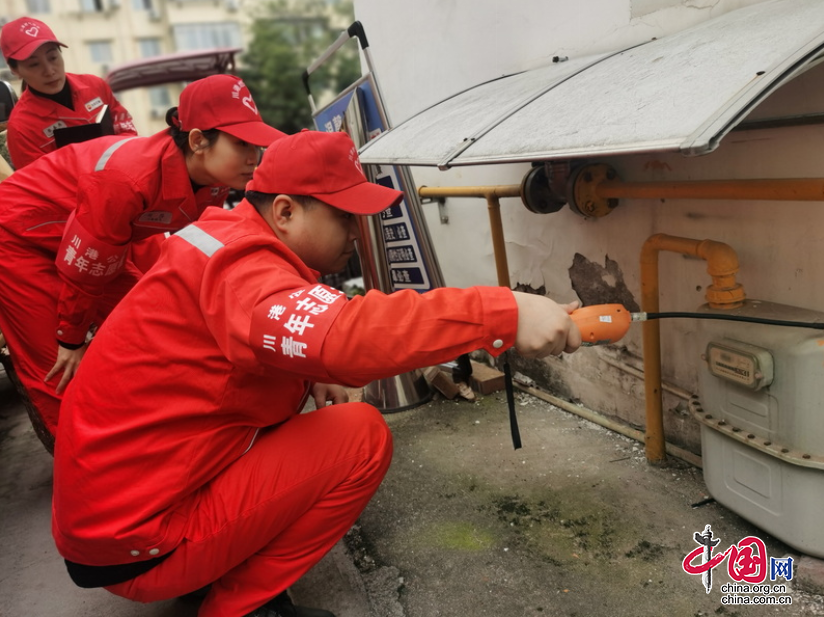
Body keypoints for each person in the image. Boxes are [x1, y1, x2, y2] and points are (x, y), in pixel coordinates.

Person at [51, 129, 582, 617]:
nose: (358, 232)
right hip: (137, 542)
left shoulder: (222, 235)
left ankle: (207, 568)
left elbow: (245, 350)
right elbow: (351, 337)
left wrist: (306, 368)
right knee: (359, 438)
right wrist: (504, 312)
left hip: (111, 515)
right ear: (283, 211)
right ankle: (236, 607)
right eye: (344, 217)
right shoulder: (243, 268)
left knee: (312, 411)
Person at [0, 73, 284, 453]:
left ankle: (152, 437)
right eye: (241, 144)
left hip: (88, 237)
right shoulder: (130, 180)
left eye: (257, 145)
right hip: (19, 232)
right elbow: (85, 268)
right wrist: (71, 335)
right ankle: (84, 466)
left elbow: (207, 251)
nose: (254, 158)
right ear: (198, 141)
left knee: (153, 326)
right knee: (58, 362)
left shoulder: (214, 181)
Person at [0, 16, 138, 169]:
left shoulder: (95, 85)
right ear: (15, 70)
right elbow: (40, 183)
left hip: (125, 174)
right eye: (34, 64)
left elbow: (125, 128)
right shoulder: (21, 128)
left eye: (53, 57)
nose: (50, 71)